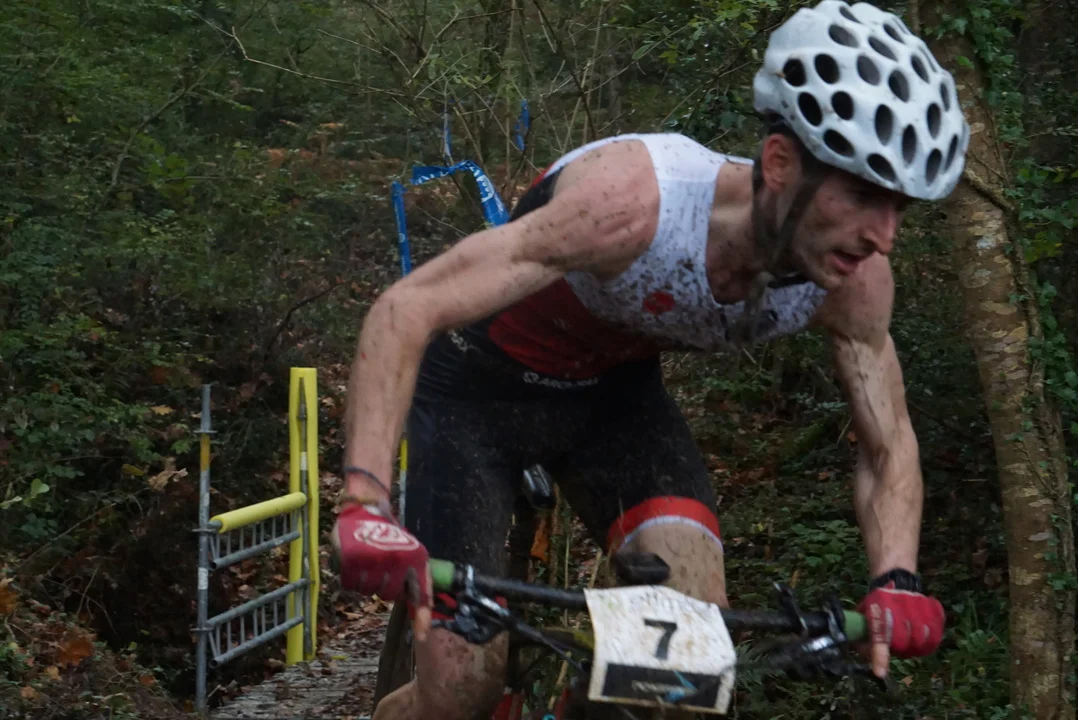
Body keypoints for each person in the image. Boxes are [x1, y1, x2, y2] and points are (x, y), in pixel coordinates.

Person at [331, 1, 969, 717]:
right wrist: (365, 501)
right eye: (861, 196)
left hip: (611, 407)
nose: (884, 235)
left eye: (899, 207)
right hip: (473, 404)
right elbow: (406, 309)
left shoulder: (854, 282)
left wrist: (896, 581)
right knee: (459, 692)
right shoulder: (632, 203)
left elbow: (888, 440)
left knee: (683, 673)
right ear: (781, 163)